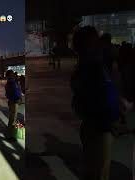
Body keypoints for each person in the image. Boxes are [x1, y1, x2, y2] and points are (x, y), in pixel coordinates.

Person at [70, 26, 120, 180]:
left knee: (93, 167)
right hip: (100, 127)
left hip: (92, 125)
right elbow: (101, 97)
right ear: (91, 43)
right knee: (99, 171)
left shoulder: (85, 65)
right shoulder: (93, 66)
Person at [5, 70, 22, 141]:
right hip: (14, 102)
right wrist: (19, 98)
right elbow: (16, 92)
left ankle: (9, 134)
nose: (14, 75)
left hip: (11, 101)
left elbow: (7, 94)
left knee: (11, 118)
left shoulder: (8, 83)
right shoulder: (12, 82)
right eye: (12, 74)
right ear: (10, 75)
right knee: (13, 119)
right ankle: (10, 136)